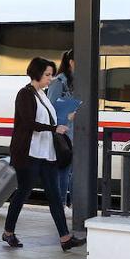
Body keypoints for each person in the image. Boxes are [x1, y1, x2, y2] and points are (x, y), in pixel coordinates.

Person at [2, 58, 86, 251]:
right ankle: (8, 232)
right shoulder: (24, 94)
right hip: (29, 154)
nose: (50, 78)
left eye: (51, 75)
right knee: (23, 193)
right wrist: (54, 128)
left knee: (55, 196)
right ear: (37, 73)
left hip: (47, 154)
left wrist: (65, 118)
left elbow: (49, 118)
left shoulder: (43, 95)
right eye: (47, 75)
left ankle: (65, 239)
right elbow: (28, 123)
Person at [46, 50, 76, 208]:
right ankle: (61, 204)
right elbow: (51, 110)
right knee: (64, 172)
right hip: (64, 134)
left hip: (76, 134)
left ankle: (74, 205)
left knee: (75, 173)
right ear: (71, 62)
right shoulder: (59, 81)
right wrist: (67, 116)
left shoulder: (77, 81)